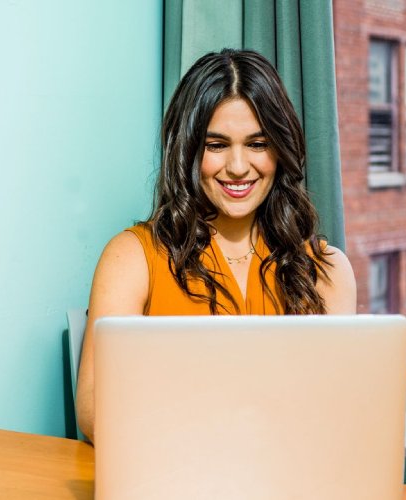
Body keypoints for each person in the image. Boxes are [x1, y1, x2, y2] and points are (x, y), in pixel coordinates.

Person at [76, 48, 356, 443]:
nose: (239, 167)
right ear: (188, 150)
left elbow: (338, 412)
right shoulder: (131, 258)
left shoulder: (327, 269)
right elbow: (94, 412)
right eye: (216, 145)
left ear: (280, 149)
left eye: (258, 144)